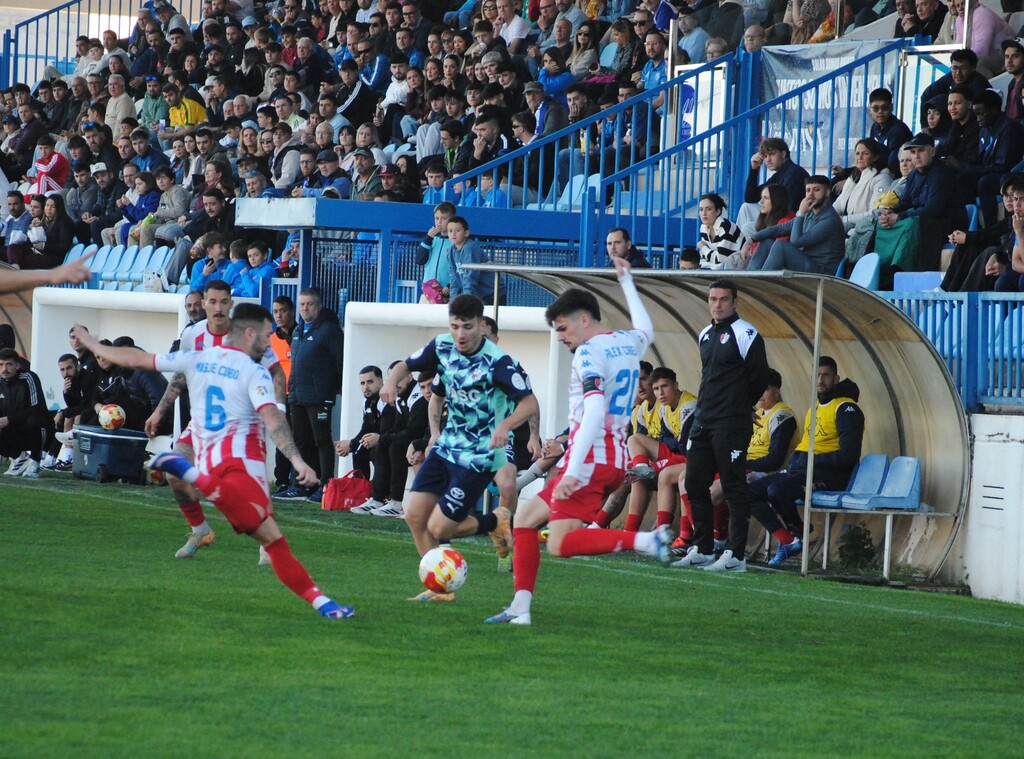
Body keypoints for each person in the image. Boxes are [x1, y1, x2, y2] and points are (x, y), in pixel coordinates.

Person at [70, 309, 354, 620]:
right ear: (249, 334)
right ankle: (192, 476)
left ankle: (323, 603)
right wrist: (298, 460)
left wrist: (93, 345)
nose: (268, 342)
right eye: (265, 335)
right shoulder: (253, 372)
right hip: (240, 466)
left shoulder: (197, 358)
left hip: (210, 460)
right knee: (263, 532)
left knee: (274, 543)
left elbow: (137, 358)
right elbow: (272, 419)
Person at [485, 258, 670, 626]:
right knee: (525, 521)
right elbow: (646, 329)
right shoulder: (625, 342)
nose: (561, 336)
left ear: (584, 320)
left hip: (590, 460)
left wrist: (573, 468)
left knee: (559, 544)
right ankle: (520, 608)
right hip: (612, 457)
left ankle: (645, 541)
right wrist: (627, 282)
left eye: (563, 328)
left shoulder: (589, 352)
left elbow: (595, 411)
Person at [380, 293, 539, 601]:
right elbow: (405, 365)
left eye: (467, 327)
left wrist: (505, 426)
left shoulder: (498, 362)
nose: (460, 334)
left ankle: (496, 521)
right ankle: (439, 587)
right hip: (447, 447)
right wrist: (390, 381)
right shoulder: (441, 346)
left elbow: (529, 403)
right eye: (455, 326)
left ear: (481, 325)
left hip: (478, 455)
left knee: (440, 528)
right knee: (414, 516)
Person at [144, 280, 285, 559]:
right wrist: (160, 411)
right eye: (213, 302)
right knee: (175, 472)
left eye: (223, 302)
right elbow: (181, 376)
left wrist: (278, 407)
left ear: (231, 303)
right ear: (203, 304)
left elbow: (276, 371)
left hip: (242, 422)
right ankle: (200, 530)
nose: (218, 308)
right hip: (202, 421)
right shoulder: (192, 335)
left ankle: (269, 542)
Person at [677, 279, 769, 573]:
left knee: (732, 486)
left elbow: (760, 377)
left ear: (734, 301)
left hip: (731, 423)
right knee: (694, 482)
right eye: (713, 299)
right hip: (704, 420)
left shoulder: (746, 333)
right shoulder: (705, 334)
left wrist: (741, 406)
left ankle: (736, 555)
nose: (717, 305)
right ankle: (703, 548)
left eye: (723, 299)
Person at [750, 357, 863, 567]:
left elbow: (849, 455)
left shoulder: (846, 408)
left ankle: (797, 531)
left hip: (829, 475)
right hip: (802, 470)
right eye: (817, 375)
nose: (820, 380)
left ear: (836, 378)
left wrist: (812, 460)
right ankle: (788, 540)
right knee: (748, 493)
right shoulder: (815, 407)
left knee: (777, 490)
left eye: (826, 375)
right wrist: (799, 461)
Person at [287, 288, 345, 503]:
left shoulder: (329, 330)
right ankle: (302, 485)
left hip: (320, 396)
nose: (305, 309)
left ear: (319, 307)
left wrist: (335, 388)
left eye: (309, 304)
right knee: (300, 441)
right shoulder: (297, 330)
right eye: (302, 304)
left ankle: (325, 485)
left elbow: (340, 361)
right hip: (297, 395)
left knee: (322, 441)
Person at [748, 175, 845, 273]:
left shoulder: (830, 219)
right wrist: (752, 239)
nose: (811, 194)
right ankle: (750, 278)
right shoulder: (809, 214)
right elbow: (779, 229)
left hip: (821, 270)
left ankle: (763, 281)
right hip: (806, 263)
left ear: (827, 192)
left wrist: (801, 214)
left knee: (781, 245)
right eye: (808, 190)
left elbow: (796, 241)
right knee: (766, 242)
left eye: (816, 190)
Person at [335, 365, 385, 497]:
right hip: (376, 439)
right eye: (362, 383)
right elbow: (366, 428)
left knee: (379, 451)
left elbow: (386, 429)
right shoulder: (366, 402)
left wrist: (351, 443)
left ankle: (382, 495)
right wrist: (351, 444)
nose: (366, 387)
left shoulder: (386, 400)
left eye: (370, 382)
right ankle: (361, 493)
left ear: (381, 382)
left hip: (388, 440)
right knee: (358, 451)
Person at [0, 348, 48, 479]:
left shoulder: (28, 378)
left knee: (35, 420)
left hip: (36, 429)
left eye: (9, 364)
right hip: (13, 429)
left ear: (17, 365)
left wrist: (9, 419)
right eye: (1, 365)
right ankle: (18, 457)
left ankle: (35, 461)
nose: (4, 369)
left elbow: (37, 407)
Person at [696, 193, 745, 269]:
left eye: (709, 209)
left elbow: (718, 259)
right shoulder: (704, 227)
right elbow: (704, 256)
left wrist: (702, 247)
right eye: (701, 209)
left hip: (739, 267)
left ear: (718, 211)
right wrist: (706, 251)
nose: (704, 213)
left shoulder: (726, 226)